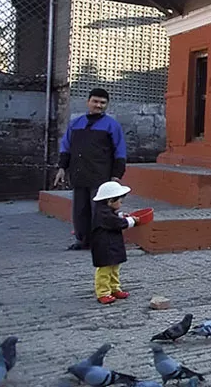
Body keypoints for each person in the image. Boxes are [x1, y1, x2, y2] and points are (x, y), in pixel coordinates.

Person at [55, 88, 127, 250]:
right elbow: (66, 147)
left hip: (101, 175)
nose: (98, 105)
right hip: (79, 173)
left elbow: (120, 151)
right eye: (95, 101)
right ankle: (82, 241)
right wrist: (62, 168)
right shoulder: (75, 124)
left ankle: (100, 242)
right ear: (88, 102)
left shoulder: (112, 125)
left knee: (99, 210)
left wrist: (117, 175)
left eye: (103, 103)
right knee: (80, 210)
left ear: (107, 105)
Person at [89, 180, 139, 304]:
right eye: (120, 201)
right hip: (104, 246)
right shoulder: (103, 214)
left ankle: (114, 287)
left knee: (114, 267)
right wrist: (131, 221)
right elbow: (116, 223)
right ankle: (103, 292)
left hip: (112, 245)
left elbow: (114, 218)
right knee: (105, 270)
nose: (121, 204)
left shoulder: (106, 211)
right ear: (110, 200)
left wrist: (121, 215)